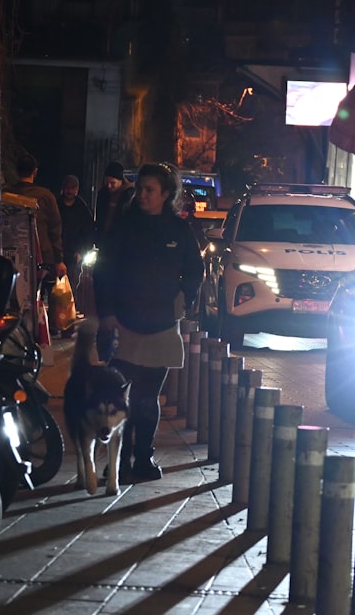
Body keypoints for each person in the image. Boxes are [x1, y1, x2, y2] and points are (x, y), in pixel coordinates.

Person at [93, 162, 205, 482]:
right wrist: (107, 313)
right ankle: (119, 462)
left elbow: (195, 270)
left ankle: (143, 457)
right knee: (121, 396)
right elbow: (104, 270)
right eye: (140, 188)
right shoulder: (124, 227)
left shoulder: (179, 230)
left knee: (148, 397)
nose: (141, 194)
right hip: (124, 321)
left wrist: (184, 297)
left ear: (165, 194)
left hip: (161, 323)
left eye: (149, 190)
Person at [4, 153, 67, 282]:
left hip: (10, 254)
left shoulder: (6, 195)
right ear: (35, 171)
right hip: (42, 255)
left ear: (17, 171)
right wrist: (59, 259)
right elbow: (55, 229)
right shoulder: (46, 196)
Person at [58, 174, 95, 290]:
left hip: (74, 255)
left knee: (71, 288)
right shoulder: (56, 205)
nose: (69, 191)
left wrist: (81, 252)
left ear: (77, 189)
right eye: (67, 188)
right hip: (58, 253)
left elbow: (89, 232)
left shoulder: (82, 208)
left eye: (72, 188)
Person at [95, 161, 135, 248]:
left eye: (113, 183)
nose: (109, 186)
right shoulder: (103, 194)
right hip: (104, 241)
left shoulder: (129, 195)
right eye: (107, 182)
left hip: (121, 244)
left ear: (121, 181)